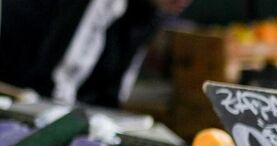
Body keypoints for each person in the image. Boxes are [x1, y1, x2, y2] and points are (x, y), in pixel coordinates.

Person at [0, 0, 189, 107]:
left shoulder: (153, 12)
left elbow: (113, 94)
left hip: (69, 104)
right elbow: (53, 85)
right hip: (16, 98)